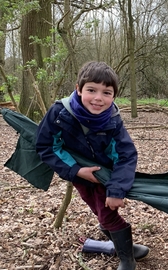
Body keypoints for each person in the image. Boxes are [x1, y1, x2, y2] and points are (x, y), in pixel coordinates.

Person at [36, 61, 149, 269]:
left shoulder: (113, 119)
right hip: (80, 173)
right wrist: (76, 171)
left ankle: (127, 259)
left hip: (107, 175)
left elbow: (126, 155)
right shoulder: (59, 112)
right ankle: (128, 248)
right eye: (91, 90)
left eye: (107, 92)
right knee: (99, 211)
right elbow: (45, 146)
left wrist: (116, 189)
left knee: (106, 213)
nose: (98, 98)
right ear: (78, 89)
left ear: (114, 96)